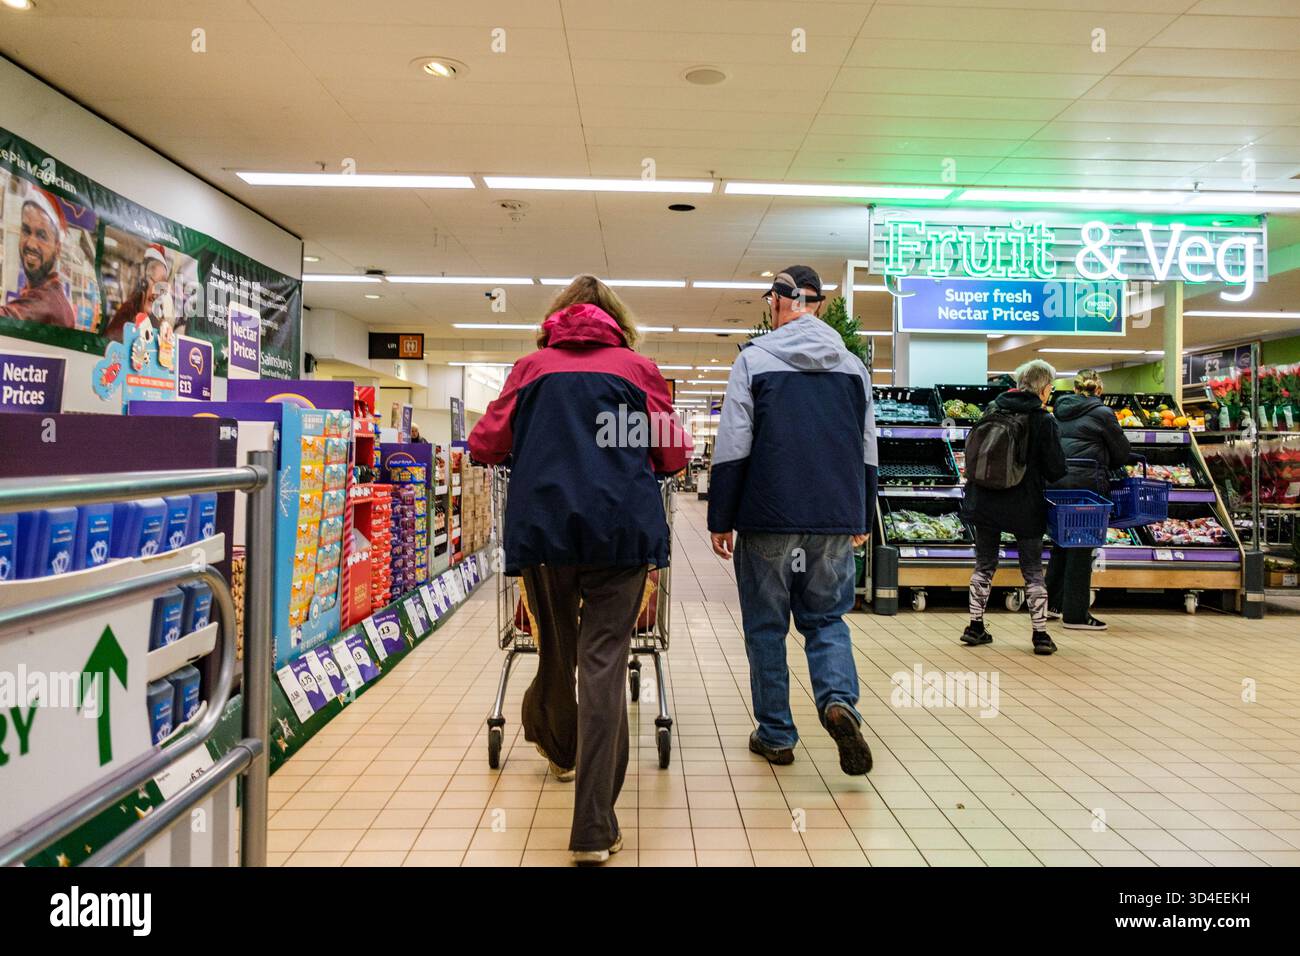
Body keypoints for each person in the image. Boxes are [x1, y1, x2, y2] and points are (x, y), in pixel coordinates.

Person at [468, 274, 689, 865]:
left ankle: (558, 743)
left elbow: (485, 444)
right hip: (621, 536)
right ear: (616, 318)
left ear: (556, 317)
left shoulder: (530, 370)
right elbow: (672, 454)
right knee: (602, 666)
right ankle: (593, 826)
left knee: (559, 653)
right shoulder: (637, 370)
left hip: (545, 535)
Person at [707, 265, 877, 776]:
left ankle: (777, 735)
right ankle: (838, 703)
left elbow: (734, 444)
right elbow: (866, 445)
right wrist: (861, 510)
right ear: (819, 305)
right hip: (831, 519)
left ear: (779, 302)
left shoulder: (754, 361)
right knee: (826, 619)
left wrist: (722, 517)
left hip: (768, 517)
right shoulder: (852, 366)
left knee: (766, 626)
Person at [961, 359, 1068, 655]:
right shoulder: (1042, 420)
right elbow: (1057, 468)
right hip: (1025, 504)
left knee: (984, 564)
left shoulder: (992, 409)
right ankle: (1041, 635)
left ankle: (975, 625)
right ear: (1045, 389)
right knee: (1032, 569)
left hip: (984, 500)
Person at [1046, 369, 1131, 631]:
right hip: (1087, 486)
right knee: (1082, 546)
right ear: (1099, 390)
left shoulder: (1056, 412)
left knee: (1062, 543)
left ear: (1074, 390)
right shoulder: (1104, 413)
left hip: (1057, 483)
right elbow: (1121, 453)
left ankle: (1049, 604)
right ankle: (1075, 615)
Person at [0, 185, 75, 328]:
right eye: (26, 231)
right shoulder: (38, 292)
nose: (31, 244)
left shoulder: (48, 303)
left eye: (41, 235)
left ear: (57, 248)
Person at [103, 243, 171, 341]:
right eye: (155, 282)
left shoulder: (154, 318)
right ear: (142, 282)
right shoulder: (127, 312)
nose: (157, 293)